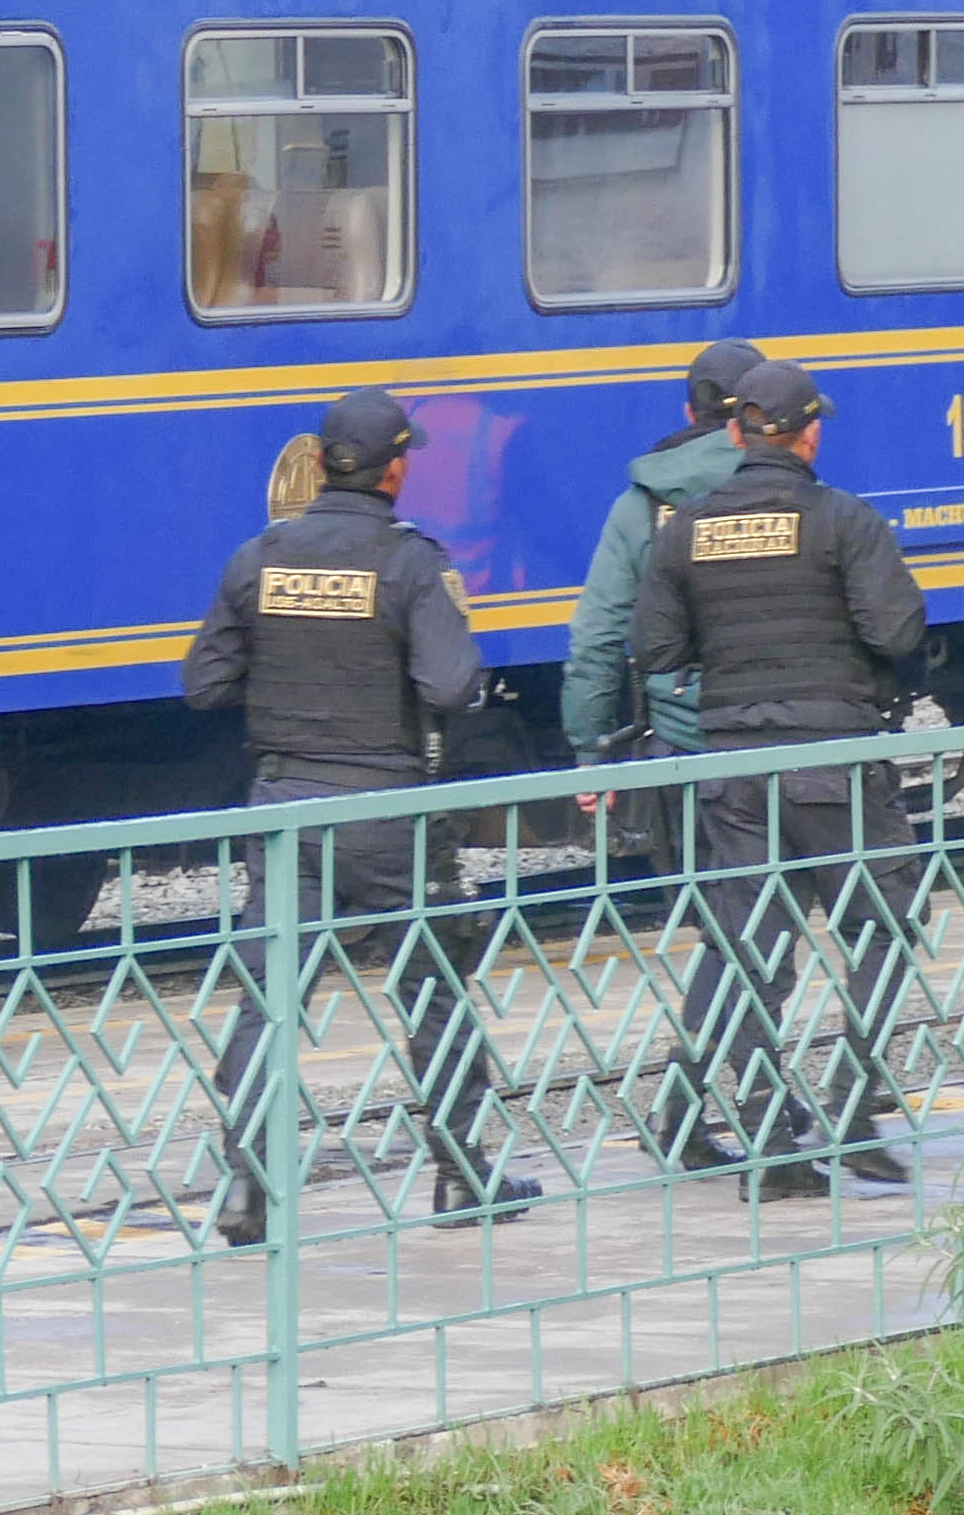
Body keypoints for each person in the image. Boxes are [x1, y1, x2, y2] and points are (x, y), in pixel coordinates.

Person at [183, 386, 541, 1247]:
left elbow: (203, 684)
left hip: (283, 811)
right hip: (389, 814)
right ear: (397, 467)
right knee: (432, 991)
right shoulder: (410, 562)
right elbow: (451, 687)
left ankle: (247, 1190)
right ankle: (461, 1173)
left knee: (268, 1002)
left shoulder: (258, 556)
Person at [633, 360, 926, 1202]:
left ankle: (770, 1130)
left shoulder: (684, 529)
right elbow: (896, 628)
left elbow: (655, 649)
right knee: (885, 924)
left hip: (733, 768)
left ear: (734, 433)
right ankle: (851, 1100)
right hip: (833, 761)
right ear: (808, 433)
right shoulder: (843, 521)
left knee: (752, 949)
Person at [559, 336, 765, 1175]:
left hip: (680, 748)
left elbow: (598, 636)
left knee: (732, 929)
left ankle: (719, 1104)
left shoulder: (642, 506)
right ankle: (738, 1109)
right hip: (775, 744)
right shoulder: (785, 487)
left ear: (688, 411)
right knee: (758, 931)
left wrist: (587, 751)